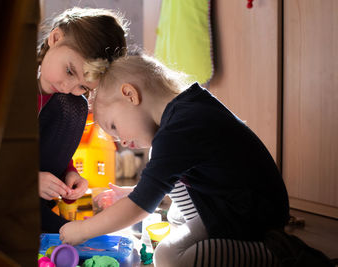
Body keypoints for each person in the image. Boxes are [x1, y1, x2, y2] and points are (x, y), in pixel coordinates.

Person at [59, 52, 292, 266]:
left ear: (130, 94)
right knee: (161, 164)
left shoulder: (180, 128)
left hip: (253, 222)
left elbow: (140, 207)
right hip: (234, 205)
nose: (121, 141)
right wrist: (134, 193)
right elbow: (200, 177)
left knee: (169, 257)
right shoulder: (187, 109)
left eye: (115, 127)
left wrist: (83, 230)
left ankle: (278, 256)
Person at [36, 7, 128, 233]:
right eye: (69, 71)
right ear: (55, 38)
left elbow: (45, 148)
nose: (68, 87)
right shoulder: (10, 80)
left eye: (83, 87)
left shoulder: (65, 102)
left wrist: (69, 174)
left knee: (77, 105)